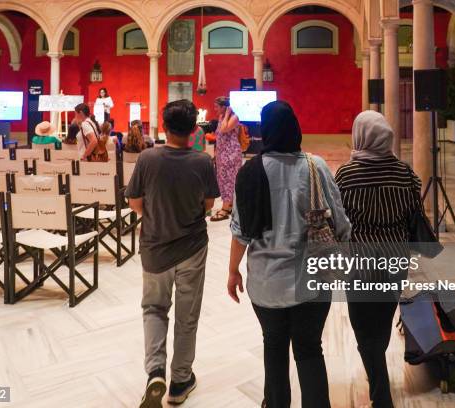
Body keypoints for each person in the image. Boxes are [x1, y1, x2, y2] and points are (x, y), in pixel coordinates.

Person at [228, 101, 351, 408]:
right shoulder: (315, 166)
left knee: (274, 346)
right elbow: (340, 221)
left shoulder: (250, 172)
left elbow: (240, 231)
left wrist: (233, 271)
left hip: (266, 285)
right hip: (312, 282)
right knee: (310, 350)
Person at [126, 100, 219, 408]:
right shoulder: (203, 161)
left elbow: (135, 202)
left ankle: (155, 372)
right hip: (192, 247)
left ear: (163, 126)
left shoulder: (147, 159)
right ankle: (180, 381)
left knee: (153, 308)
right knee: (187, 316)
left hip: (154, 247)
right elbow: (208, 205)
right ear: (194, 129)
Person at [335, 111, 422, 408]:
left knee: (362, 325)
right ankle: (378, 376)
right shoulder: (406, 173)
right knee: (382, 321)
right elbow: (414, 213)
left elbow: (339, 219)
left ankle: (380, 392)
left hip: (360, 262)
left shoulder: (347, 174)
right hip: (395, 260)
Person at [210, 96, 242, 221]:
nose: (215, 109)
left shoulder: (234, 117)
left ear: (224, 107)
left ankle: (225, 208)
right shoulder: (221, 117)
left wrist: (228, 113)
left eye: (217, 107)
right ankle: (229, 206)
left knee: (230, 180)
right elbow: (219, 137)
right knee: (222, 180)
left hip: (231, 153)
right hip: (222, 154)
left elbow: (224, 129)